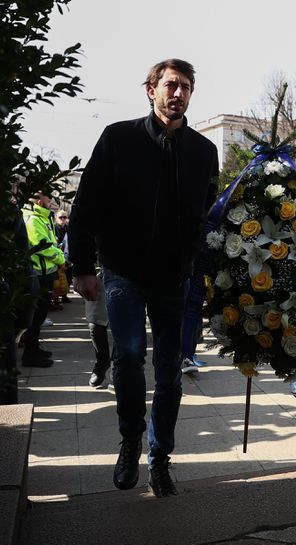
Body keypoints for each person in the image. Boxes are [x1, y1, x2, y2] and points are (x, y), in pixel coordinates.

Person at [66, 59, 219, 497]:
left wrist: (206, 272)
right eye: (170, 85)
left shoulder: (203, 152)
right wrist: (80, 266)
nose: (179, 93)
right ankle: (130, 438)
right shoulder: (119, 138)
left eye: (186, 87)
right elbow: (87, 203)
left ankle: (161, 457)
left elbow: (208, 219)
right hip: (123, 271)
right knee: (129, 355)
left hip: (174, 278)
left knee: (170, 372)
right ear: (151, 90)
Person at [20, 191, 66, 368]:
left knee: (40, 315)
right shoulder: (32, 218)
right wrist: (62, 258)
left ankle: (34, 348)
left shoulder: (40, 217)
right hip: (39, 274)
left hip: (45, 272)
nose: (51, 201)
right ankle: (30, 354)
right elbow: (42, 246)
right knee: (37, 315)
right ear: (39, 199)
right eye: (48, 197)